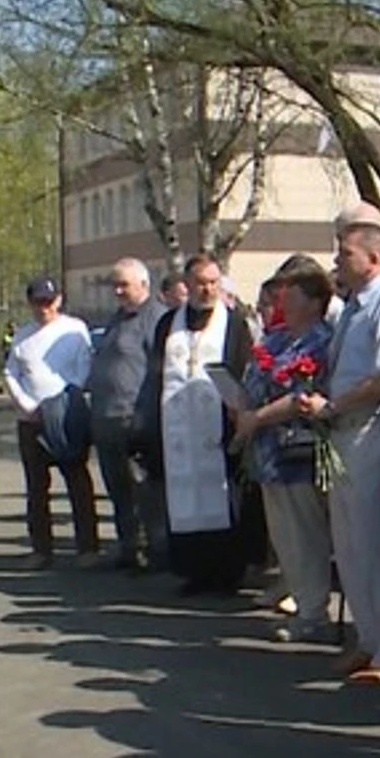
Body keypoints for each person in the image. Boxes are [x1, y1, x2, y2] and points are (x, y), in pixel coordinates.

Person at [299, 225, 380, 682]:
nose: (338, 260)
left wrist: (334, 404)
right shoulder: (355, 306)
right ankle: (367, 638)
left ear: (373, 257)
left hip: (374, 430)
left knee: (375, 545)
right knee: (350, 545)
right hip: (346, 432)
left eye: (346, 252)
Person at [137, 255, 259, 596]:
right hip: (177, 426)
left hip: (218, 425)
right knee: (183, 496)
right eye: (200, 283)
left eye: (213, 283)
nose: (207, 289)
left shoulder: (233, 324)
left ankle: (227, 573)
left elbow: (243, 368)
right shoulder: (167, 325)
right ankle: (193, 571)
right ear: (186, 285)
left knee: (219, 497)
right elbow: (157, 373)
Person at [232, 257, 339, 645]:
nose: (282, 301)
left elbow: (304, 396)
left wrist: (257, 417)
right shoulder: (275, 340)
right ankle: (301, 601)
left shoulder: (323, 341)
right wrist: (242, 409)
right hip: (266, 454)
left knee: (304, 535)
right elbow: (253, 377)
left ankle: (314, 614)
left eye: (291, 294)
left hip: (297, 451)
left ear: (313, 301)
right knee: (283, 537)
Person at [5, 277, 99, 570]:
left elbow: (84, 368)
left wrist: (61, 403)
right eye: (37, 302)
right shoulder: (23, 336)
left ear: (58, 300)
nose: (43, 308)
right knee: (36, 488)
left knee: (77, 481)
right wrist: (27, 405)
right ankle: (41, 549)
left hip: (67, 415)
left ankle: (87, 547)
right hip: (31, 419)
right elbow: (11, 373)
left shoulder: (74, 330)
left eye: (48, 301)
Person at [88, 259, 159, 570]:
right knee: (118, 488)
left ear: (143, 285)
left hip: (135, 418)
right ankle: (128, 546)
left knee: (142, 490)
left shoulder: (155, 318)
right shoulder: (117, 318)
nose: (118, 291)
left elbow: (158, 370)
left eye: (124, 285)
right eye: (114, 285)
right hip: (107, 419)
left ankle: (152, 552)